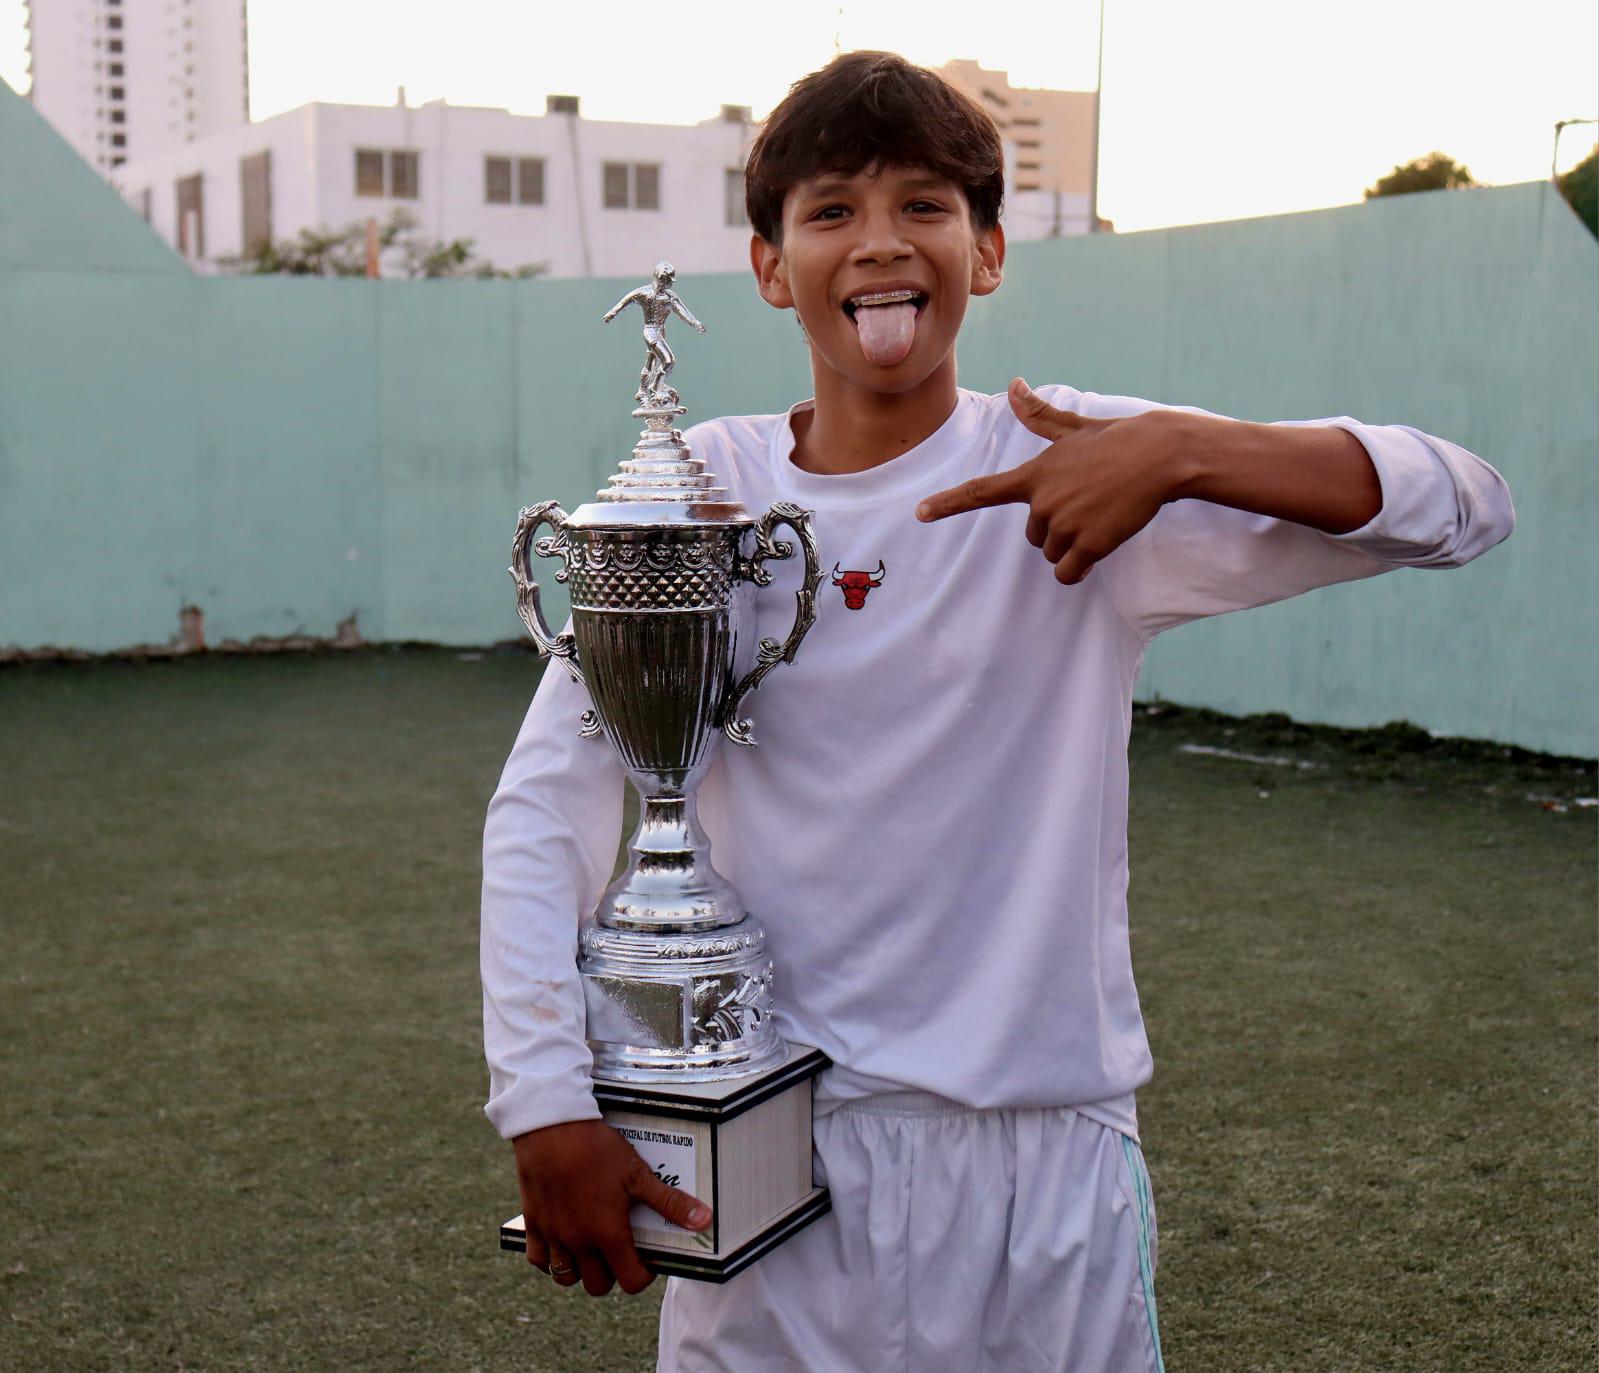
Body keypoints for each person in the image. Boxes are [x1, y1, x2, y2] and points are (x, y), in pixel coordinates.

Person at [481, 51, 1514, 1373]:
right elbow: (544, 810)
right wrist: (546, 1100)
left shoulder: (1081, 462)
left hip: (1044, 1155)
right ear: (769, 265)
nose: (879, 245)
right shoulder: (701, 496)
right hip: (777, 1152)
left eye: (924, 206)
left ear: (989, 252)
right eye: (832, 210)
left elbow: (1464, 505)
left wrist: (1186, 447)